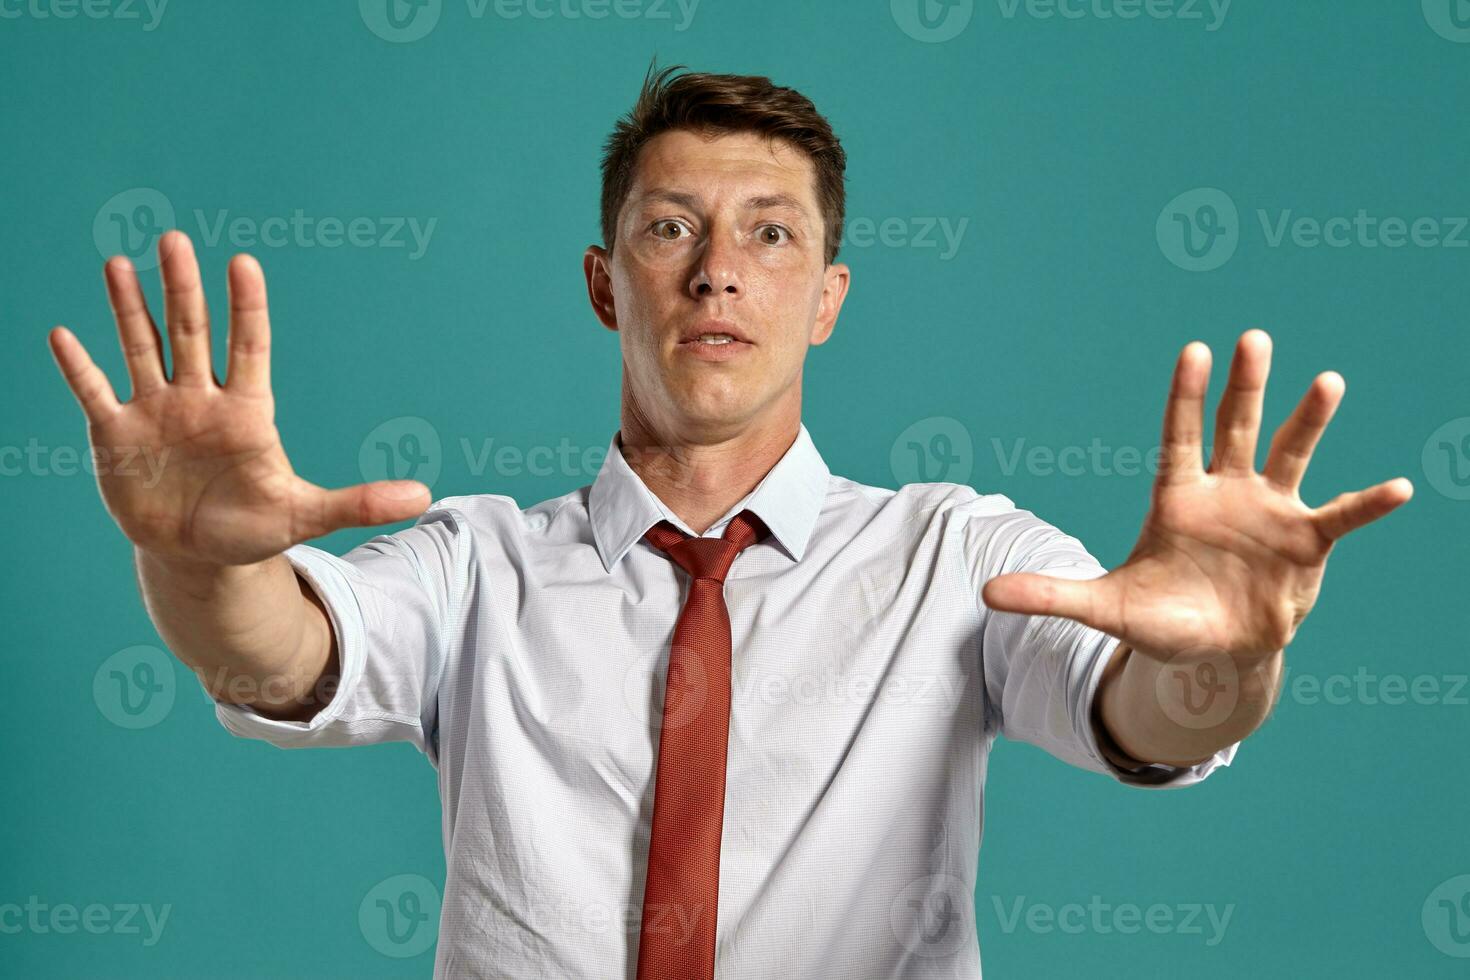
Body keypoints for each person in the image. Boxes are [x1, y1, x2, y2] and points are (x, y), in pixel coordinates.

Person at [47, 63, 1412, 979]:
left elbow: (1150, 715)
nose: (716, 273)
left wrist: (1226, 657)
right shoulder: (478, 566)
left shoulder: (955, 558)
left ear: (826, 296)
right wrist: (187, 557)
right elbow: (276, 652)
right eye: (668, 229)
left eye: (770, 235)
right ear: (603, 282)